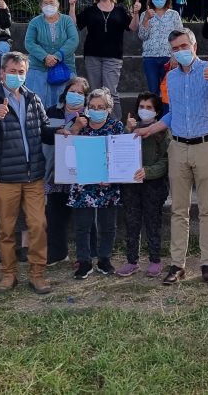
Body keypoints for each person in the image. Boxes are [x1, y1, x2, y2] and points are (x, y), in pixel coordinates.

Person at [134, 28, 208, 285]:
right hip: (178, 146)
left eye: (183, 46)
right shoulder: (172, 78)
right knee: (179, 209)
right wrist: (150, 129)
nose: (180, 51)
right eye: (175, 48)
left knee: (207, 207)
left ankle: (207, 263)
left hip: (206, 146)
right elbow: (172, 114)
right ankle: (177, 264)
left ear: (193, 45)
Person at [0, 51, 58, 295]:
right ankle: (8, 274)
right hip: (4, 178)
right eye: (12, 71)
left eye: (21, 72)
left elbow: (43, 132)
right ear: (2, 73)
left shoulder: (34, 99)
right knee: (7, 229)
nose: (16, 76)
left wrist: (65, 131)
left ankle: (37, 274)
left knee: (38, 224)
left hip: (34, 176)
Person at [62, 88, 141, 279]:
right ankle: (84, 261)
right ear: (87, 108)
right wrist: (76, 129)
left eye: (101, 107)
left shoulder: (115, 126)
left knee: (108, 226)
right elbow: (66, 150)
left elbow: (123, 157)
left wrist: (113, 177)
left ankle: (104, 259)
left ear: (108, 109)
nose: (96, 110)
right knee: (83, 226)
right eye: (92, 106)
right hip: (83, 185)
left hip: (108, 184)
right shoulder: (80, 124)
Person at [70, 0, 140, 120]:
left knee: (110, 92)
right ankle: (96, 123)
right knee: (95, 92)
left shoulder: (120, 10)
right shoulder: (90, 10)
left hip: (113, 57)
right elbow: (74, 23)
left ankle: (115, 126)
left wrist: (136, 13)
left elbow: (132, 27)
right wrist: (72, 6)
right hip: (92, 55)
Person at [119, 92, 170, 277]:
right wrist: (127, 130)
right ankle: (132, 261)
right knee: (132, 222)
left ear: (157, 112)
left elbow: (165, 161)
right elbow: (120, 151)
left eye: (149, 108)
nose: (144, 110)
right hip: (131, 184)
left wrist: (149, 171)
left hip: (153, 185)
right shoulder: (131, 128)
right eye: (141, 107)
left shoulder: (163, 131)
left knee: (152, 221)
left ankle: (155, 260)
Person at [42, 77, 92, 267]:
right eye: (73, 91)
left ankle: (87, 255)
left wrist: (79, 126)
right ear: (65, 92)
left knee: (84, 218)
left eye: (81, 93)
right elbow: (45, 136)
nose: (76, 95)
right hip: (55, 171)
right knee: (55, 215)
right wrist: (70, 128)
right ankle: (57, 253)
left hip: (81, 173)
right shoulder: (51, 111)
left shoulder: (90, 116)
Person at [23, 0, 79, 108]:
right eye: (46, 3)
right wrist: (45, 56)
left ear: (58, 4)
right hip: (38, 67)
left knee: (63, 103)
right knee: (36, 103)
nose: (49, 5)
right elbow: (29, 42)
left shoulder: (67, 20)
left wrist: (57, 56)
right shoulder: (35, 22)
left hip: (64, 67)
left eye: (52, 2)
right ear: (41, 6)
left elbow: (73, 40)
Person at [138, 0, 183, 98]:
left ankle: (167, 115)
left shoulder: (174, 15)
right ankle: (155, 115)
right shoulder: (145, 14)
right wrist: (146, 19)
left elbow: (179, 37)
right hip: (150, 58)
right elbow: (142, 36)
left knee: (168, 92)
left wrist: (175, 56)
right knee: (153, 92)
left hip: (168, 58)